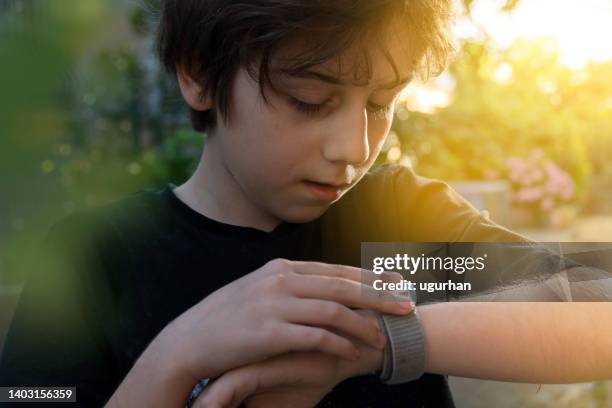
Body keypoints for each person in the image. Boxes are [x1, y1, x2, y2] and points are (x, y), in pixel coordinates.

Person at [1, 1, 611, 407]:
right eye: (309, 100)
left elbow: (598, 296)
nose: (355, 148)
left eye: (380, 103)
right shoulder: (98, 256)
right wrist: (176, 356)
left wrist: (380, 340)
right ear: (198, 75)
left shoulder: (396, 231)